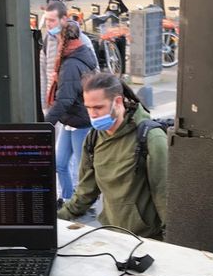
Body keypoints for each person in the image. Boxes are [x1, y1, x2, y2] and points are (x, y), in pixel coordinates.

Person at [58, 72, 168, 239]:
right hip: (111, 235)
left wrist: (171, 247)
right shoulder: (93, 138)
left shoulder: (151, 137)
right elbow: (85, 192)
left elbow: (164, 197)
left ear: (117, 101)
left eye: (98, 107)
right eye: (88, 108)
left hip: (147, 239)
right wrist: (55, 220)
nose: (92, 114)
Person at [44, 21, 97, 206]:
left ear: (63, 40)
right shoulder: (82, 54)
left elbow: (65, 100)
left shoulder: (71, 65)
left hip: (79, 122)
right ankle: (67, 199)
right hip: (72, 120)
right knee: (60, 163)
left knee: (82, 169)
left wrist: (45, 124)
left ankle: (82, 204)